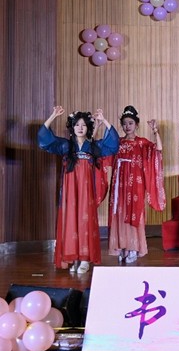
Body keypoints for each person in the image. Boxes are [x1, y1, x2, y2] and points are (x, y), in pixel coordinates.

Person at [38, 107, 119, 273]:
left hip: (86, 192)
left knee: (85, 221)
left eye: (83, 125)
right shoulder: (66, 145)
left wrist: (104, 121)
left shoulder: (94, 147)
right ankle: (73, 256)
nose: (80, 128)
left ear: (88, 127)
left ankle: (84, 259)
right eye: (77, 125)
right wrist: (53, 115)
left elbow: (113, 144)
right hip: (70, 191)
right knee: (70, 220)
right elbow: (44, 140)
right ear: (72, 127)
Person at [109, 105, 165, 264]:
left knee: (134, 211)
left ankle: (133, 248)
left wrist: (155, 131)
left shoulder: (141, 142)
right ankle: (122, 247)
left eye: (131, 123)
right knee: (120, 211)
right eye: (124, 123)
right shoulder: (117, 142)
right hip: (120, 181)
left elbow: (158, 148)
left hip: (136, 181)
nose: (127, 126)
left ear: (137, 124)